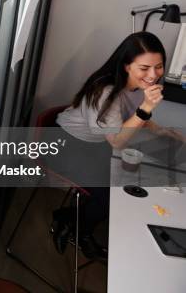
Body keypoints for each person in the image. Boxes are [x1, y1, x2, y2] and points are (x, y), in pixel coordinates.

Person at [53, 31, 184, 258]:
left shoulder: (135, 86)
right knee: (112, 193)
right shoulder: (105, 91)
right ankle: (74, 227)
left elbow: (140, 121)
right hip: (66, 143)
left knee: (148, 170)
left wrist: (168, 132)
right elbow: (117, 140)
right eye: (144, 68)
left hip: (96, 144)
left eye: (159, 66)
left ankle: (78, 217)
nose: (153, 75)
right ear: (126, 66)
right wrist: (146, 109)